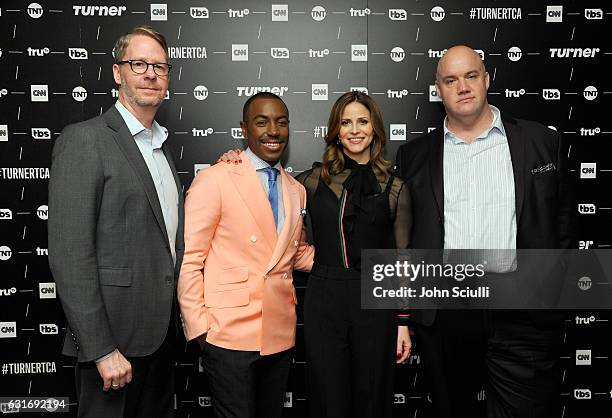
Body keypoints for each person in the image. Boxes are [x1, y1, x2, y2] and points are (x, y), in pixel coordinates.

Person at [395, 45, 573, 418]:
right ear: (438, 90)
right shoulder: (413, 156)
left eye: (471, 75)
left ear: (487, 79)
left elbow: (562, 227)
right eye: (451, 80)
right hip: (446, 314)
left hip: (521, 312)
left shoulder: (541, 142)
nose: (462, 87)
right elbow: (406, 239)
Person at [48, 26, 183, 417]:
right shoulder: (85, 140)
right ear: (117, 72)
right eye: (138, 63)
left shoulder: (161, 150)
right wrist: (101, 349)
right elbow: (70, 256)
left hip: (160, 343)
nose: (150, 73)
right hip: (112, 350)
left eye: (159, 65)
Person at [177, 92, 315, 418]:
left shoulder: (296, 190)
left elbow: (294, 255)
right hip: (227, 334)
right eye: (262, 121)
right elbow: (191, 259)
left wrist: (359, 264)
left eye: (281, 122)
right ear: (244, 128)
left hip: (279, 334)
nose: (273, 131)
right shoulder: (215, 179)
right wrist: (199, 329)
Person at [296, 91, 411, 418]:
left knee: (372, 398)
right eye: (346, 122)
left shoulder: (395, 188)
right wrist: (239, 159)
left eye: (362, 121)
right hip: (324, 296)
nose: (355, 129)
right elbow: (267, 189)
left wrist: (403, 323)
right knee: (327, 399)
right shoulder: (314, 181)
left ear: (375, 128)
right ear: (335, 129)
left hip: (375, 299)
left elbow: (402, 259)